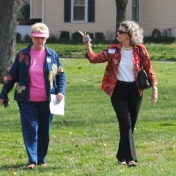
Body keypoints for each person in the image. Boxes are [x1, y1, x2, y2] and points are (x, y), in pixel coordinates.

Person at [79, 21, 158, 167]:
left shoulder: (140, 50)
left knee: (130, 125)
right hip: (117, 91)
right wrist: (87, 44)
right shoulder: (113, 49)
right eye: (118, 31)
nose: (118, 34)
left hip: (135, 91)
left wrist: (154, 88)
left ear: (130, 35)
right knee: (125, 123)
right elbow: (94, 59)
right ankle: (130, 159)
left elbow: (149, 68)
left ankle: (121, 156)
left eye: (121, 32)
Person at [0, 23, 66, 169]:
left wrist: (60, 91)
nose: (40, 40)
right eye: (37, 37)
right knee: (30, 128)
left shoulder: (52, 55)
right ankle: (32, 160)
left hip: (48, 100)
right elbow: (12, 76)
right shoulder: (23, 55)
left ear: (46, 38)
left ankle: (41, 158)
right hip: (26, 100)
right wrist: (3, 94)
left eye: (42, 37)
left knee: (44, 129)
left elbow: (61, 75)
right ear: (32, 37)